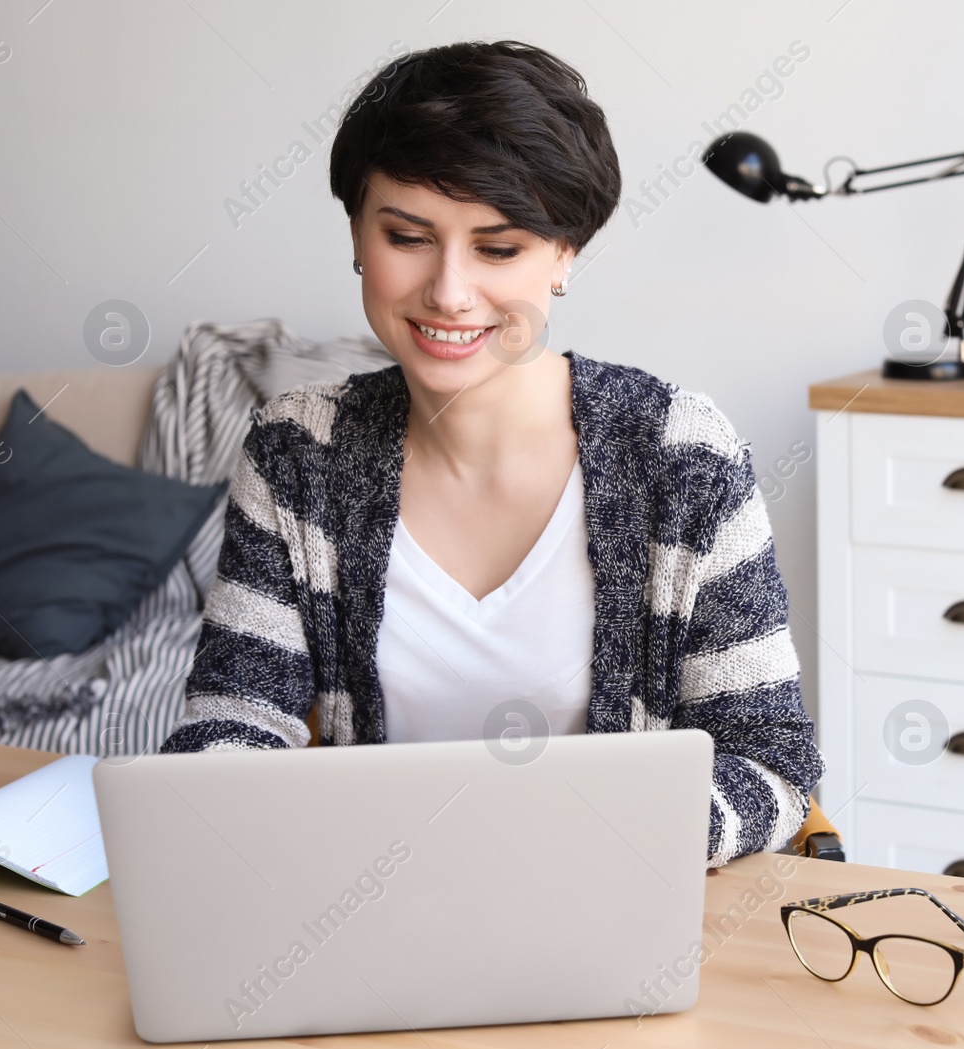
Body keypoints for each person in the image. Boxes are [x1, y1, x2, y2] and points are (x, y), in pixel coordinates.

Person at [159, 40, 823, 868]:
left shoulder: (682, 456)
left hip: (608, 912)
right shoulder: (298, 451)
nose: (448, 291)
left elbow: (771, 762)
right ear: (359, 238)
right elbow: (231, 724)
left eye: (498, 249)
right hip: (366, 916)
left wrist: (593, 842)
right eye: (408, 235)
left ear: (565, 255)